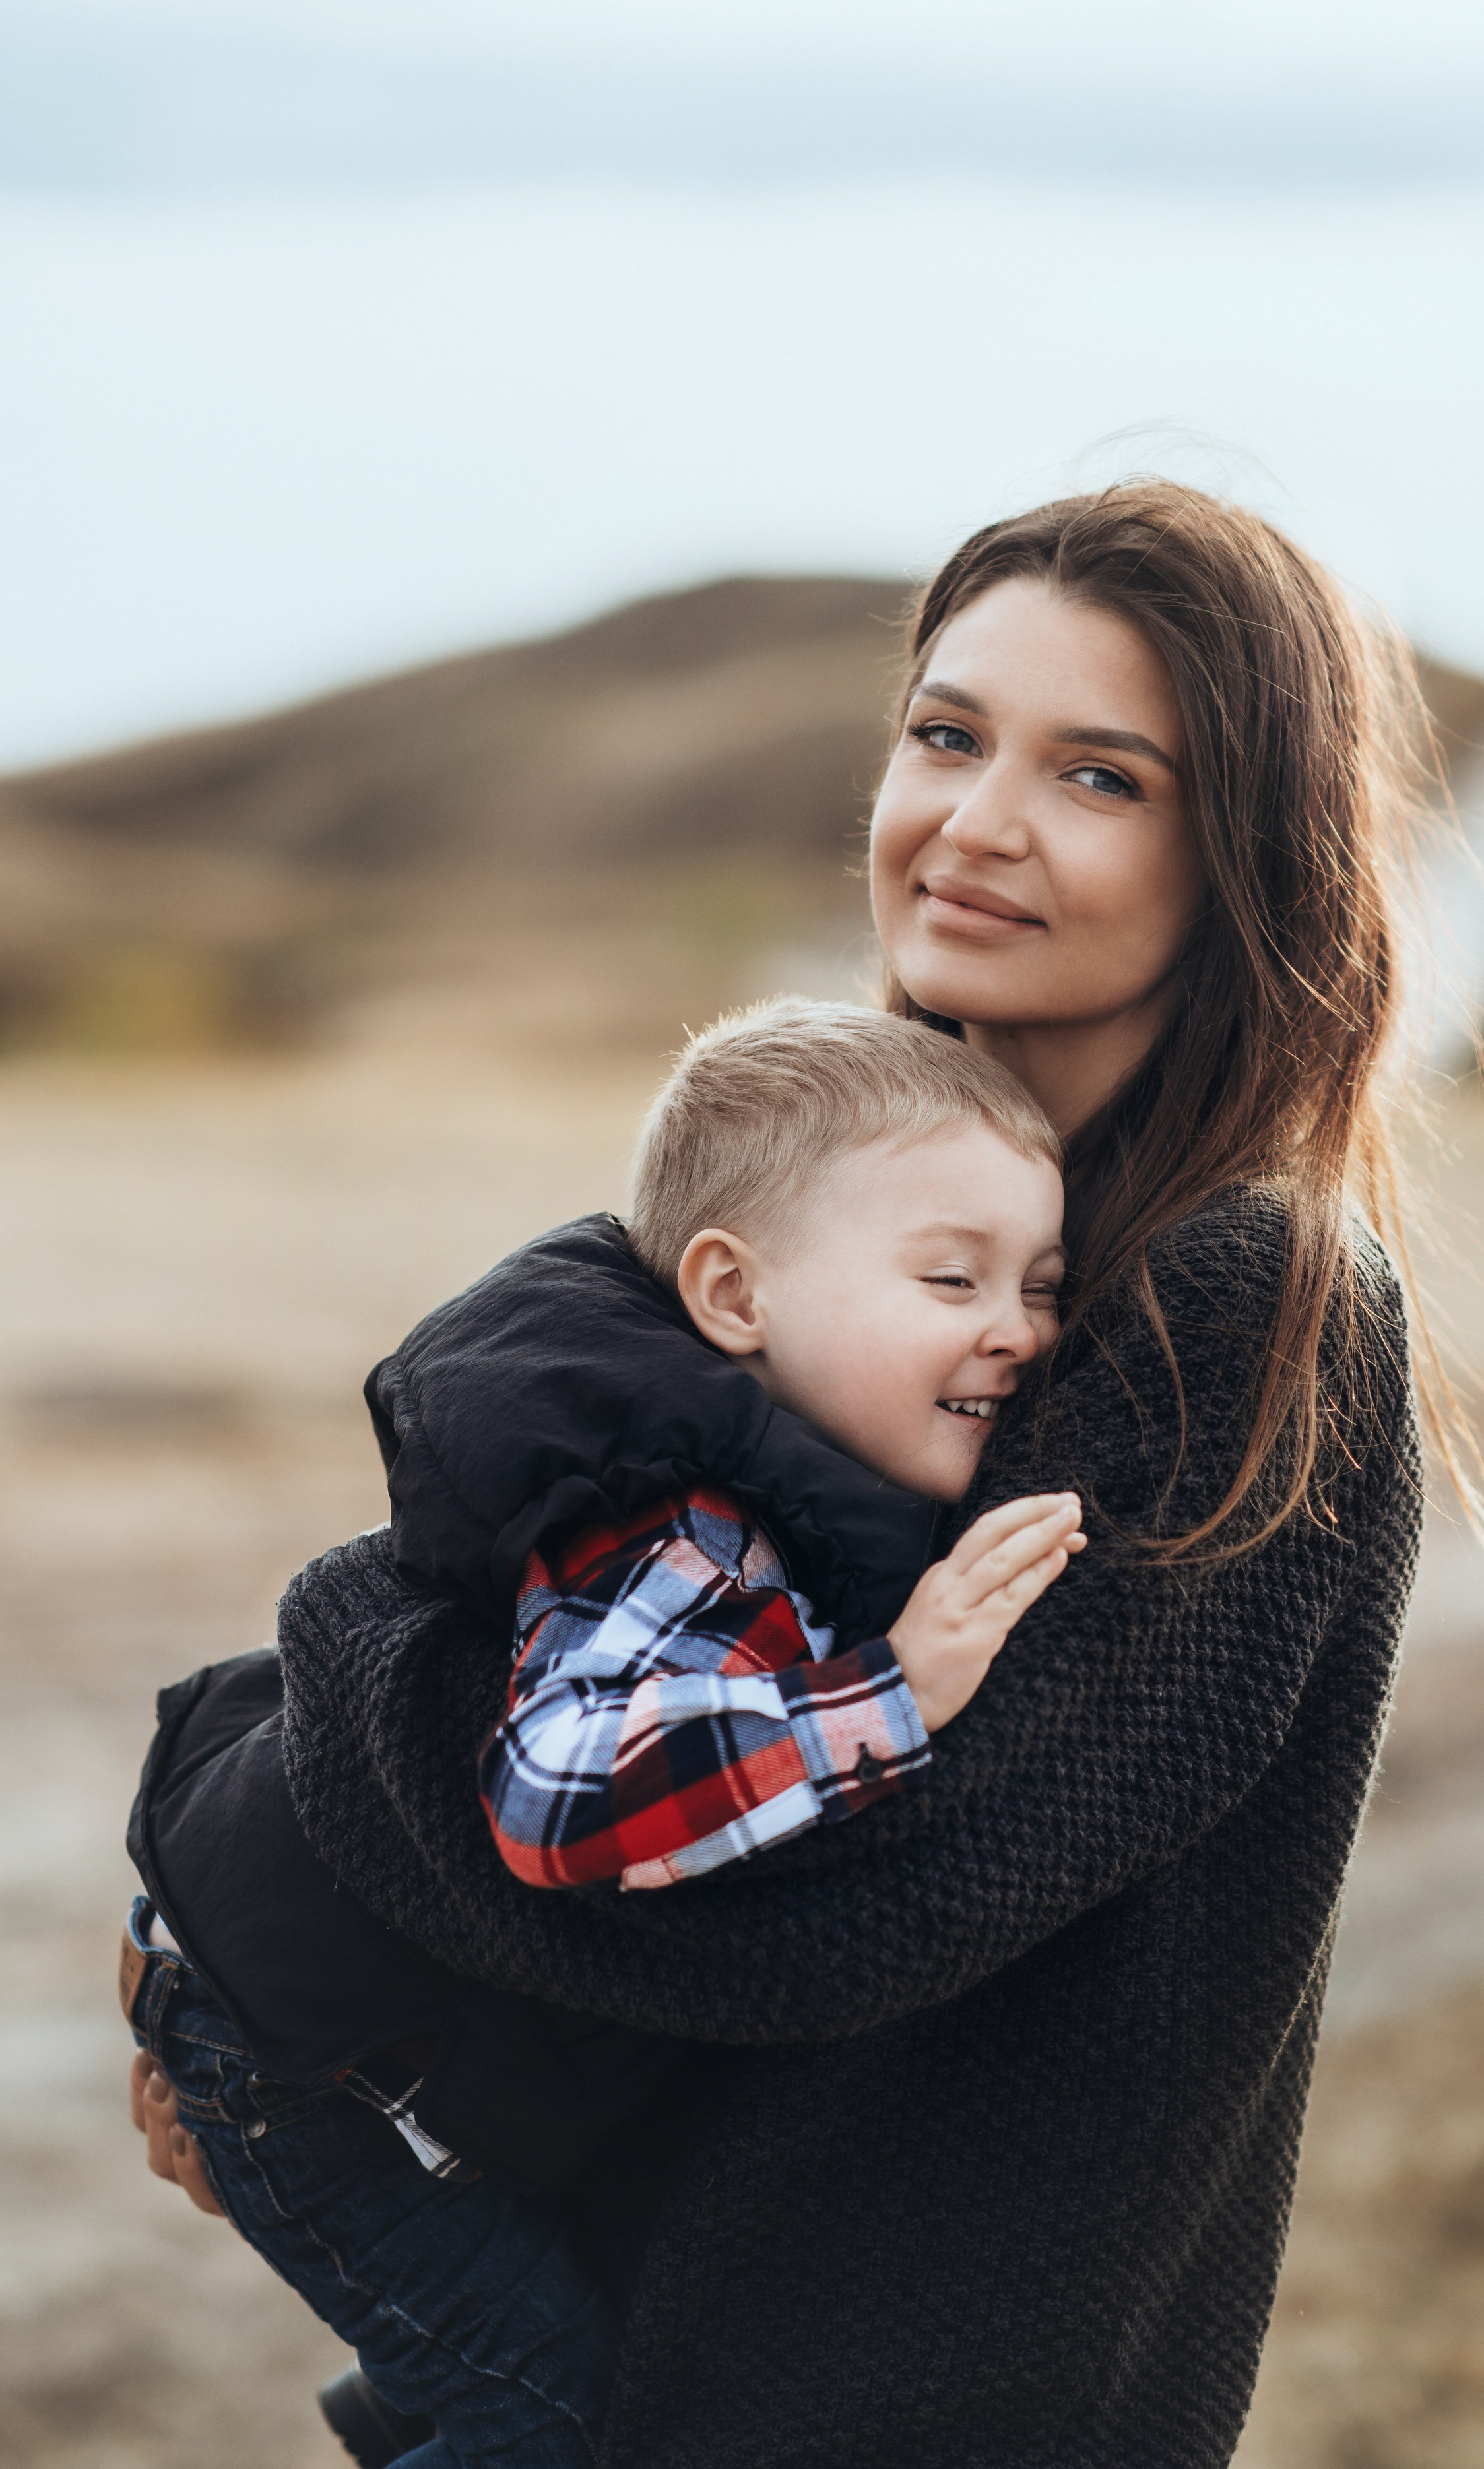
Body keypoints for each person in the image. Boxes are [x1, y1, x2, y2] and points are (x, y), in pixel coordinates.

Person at [134, 477, 1475, 2469]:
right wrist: (282, 2019)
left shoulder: (1234, 1291)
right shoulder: (858, 1215)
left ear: (1245, 855)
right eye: (947, 735)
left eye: (1100, 777)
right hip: (658, 2345)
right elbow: (605, 1640)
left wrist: (333, 1653)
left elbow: (824, 1914)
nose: (977, 822)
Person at [124, 1003, 1087, 2469]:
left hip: (335, 2026)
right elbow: (560, 1795)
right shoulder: (683, 1531)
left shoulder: (776, 1479)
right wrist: (889, 1692)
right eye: (950, 1277)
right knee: (553, 2425)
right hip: (298, 2064)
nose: (1014, 1328)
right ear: (731, 1295)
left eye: (1040, 1285)